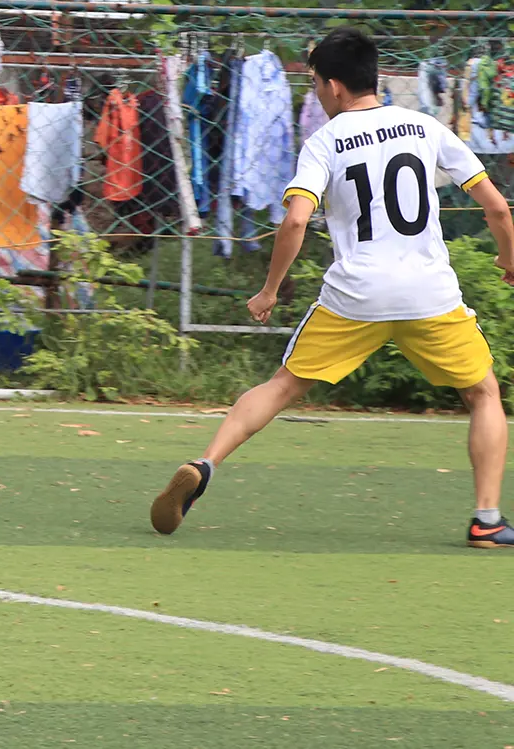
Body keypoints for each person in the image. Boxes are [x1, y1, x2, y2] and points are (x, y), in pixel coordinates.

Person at [151, 27, 514, 547]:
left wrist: (270, 289)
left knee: (282, 386)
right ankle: (487, 519)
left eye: (316, 83)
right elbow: (496, 206)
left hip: (357, 295)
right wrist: (509, 257)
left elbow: (296, 222)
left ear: (336, 87)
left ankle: (205, 463)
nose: (316, 93)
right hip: (428, 293)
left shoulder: (324, 142)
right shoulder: (424, 127)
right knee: (482, 393)